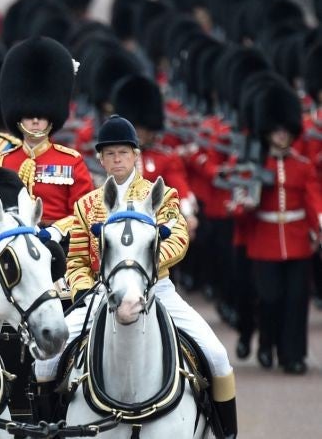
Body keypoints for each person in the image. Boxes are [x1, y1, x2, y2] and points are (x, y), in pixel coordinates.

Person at [33, 115, 237, 438]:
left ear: (135, 155)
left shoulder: (162, 196)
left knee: (217, 357)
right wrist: (89, 291)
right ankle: (49, 429)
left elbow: (180, 238)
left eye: (123, 153)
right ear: (100, 158)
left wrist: (142, 269)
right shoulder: (87, 205)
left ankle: (223, 433)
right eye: (110, 154)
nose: (116, 160)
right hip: (101, 294)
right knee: (46, 360)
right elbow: (76, 260)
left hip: (158, 289)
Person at [244, 82, 322, 375]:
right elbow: (243, 204)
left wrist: (320, 225)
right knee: (269, 298)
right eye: (277, 130)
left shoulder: (302, 165)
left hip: (298, 240)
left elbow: (313, 198)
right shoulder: (255, 163)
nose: (282, 135)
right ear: (267, 131)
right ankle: (267, 344)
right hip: (265, 241)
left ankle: (294, 356)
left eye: (286, 130)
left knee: (296, 301)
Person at [0, 37, 93, 243]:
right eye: (29, 116)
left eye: (41, 116)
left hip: (59, 244)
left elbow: (84, 212)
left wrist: (57, 230)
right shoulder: (3, 162)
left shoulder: (71, 161)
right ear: (18, 117)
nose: (35, 121)